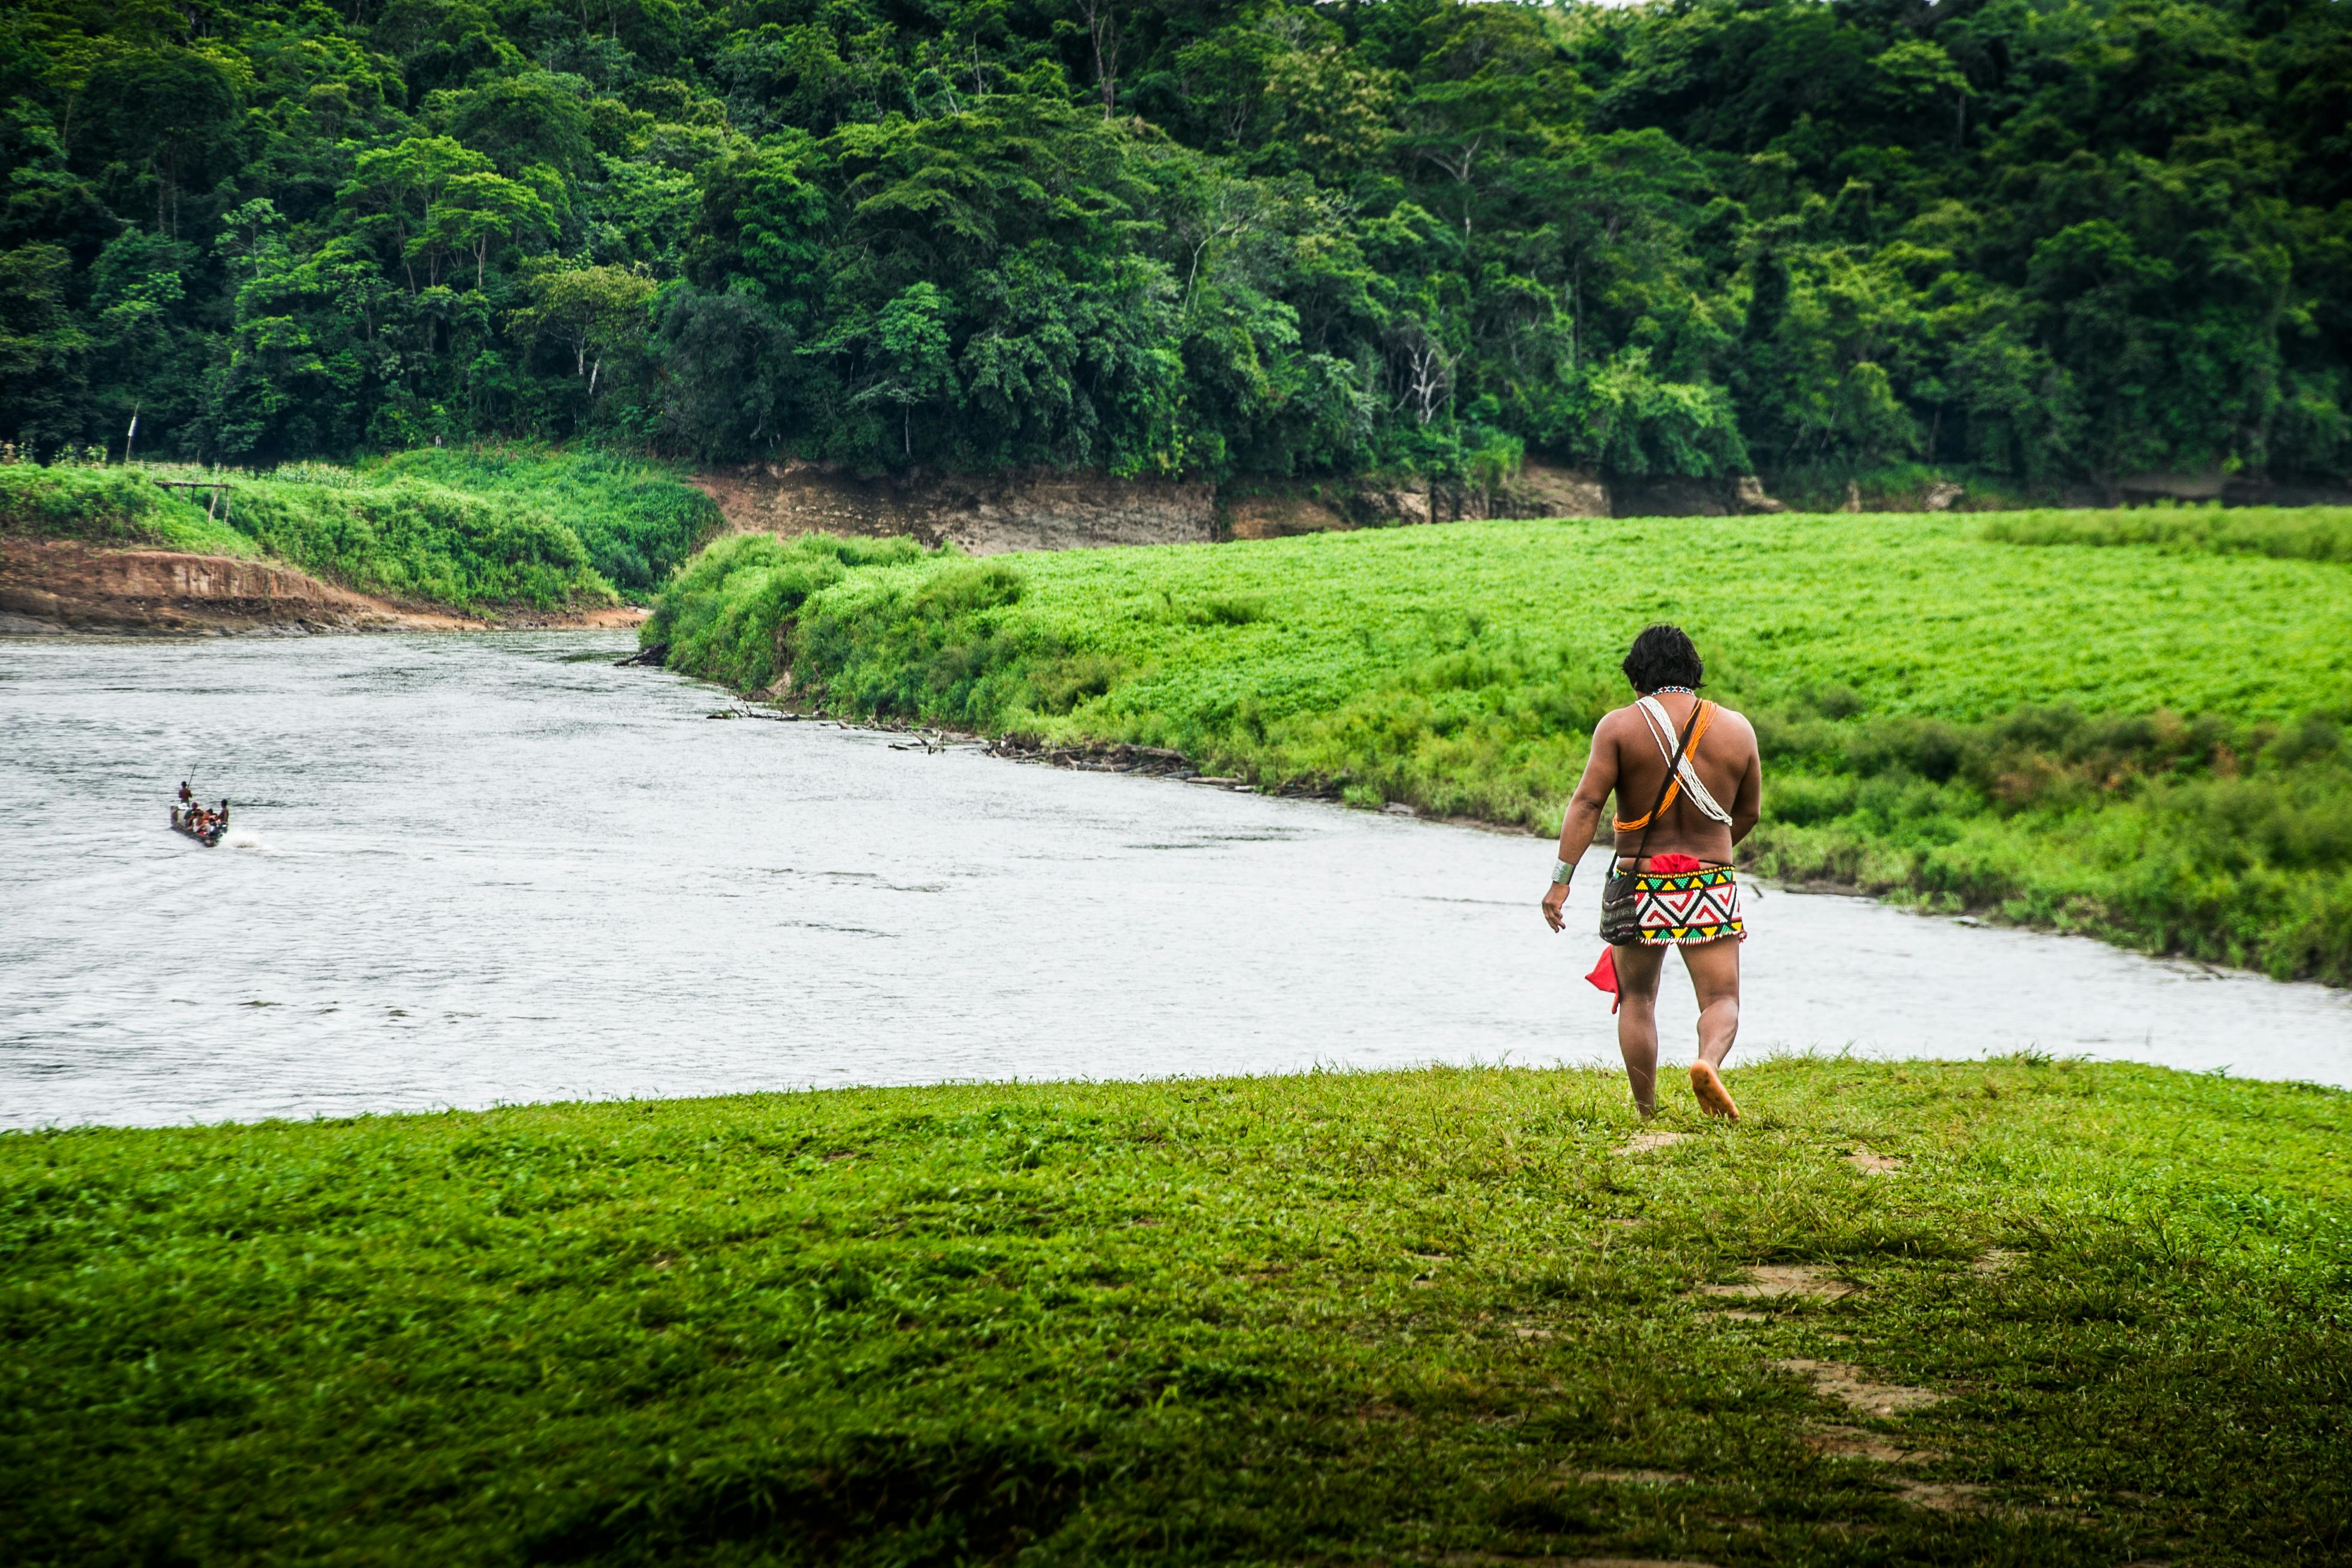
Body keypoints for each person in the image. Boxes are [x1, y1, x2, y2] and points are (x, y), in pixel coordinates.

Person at [1542, 624, 1762, 1120]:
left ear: (1638, 676)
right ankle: (1707, 1062)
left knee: (1638, 996)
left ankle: (1646, 1112)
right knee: (1722, 997)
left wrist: (1561, 881)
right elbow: (1748, 814)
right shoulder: (1738, 730)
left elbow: (1588, 803)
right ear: (1694, 673)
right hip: (1708, 883)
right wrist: (1708, 862)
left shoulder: (1619, 728)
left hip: (1639, 883)